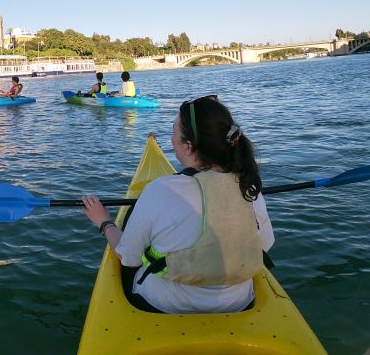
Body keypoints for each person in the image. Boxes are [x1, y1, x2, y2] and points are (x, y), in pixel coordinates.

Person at [82, 95, 274, 314]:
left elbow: (129, 257)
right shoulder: (249, 186)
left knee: (130, 232)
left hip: (164, 304)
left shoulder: (160, 190)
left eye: (174, 133)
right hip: (239, 303)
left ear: (189, 147)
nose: (171, 140)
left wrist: (104, 222)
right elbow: (265, 244)